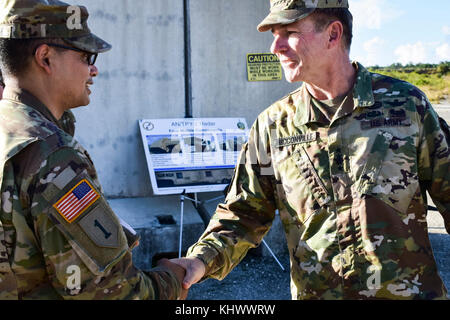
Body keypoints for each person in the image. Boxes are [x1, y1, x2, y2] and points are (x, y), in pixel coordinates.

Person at [172, 0, 450, 300]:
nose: (275, 47)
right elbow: (242, 214)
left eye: (289, 32)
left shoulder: (407, 107)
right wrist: (198, 260)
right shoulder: (273, 125)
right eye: (273, 34)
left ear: (333, 34)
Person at [0, 0, 186, 300]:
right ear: (45, 58)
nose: (94, 69)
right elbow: (110, 294)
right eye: (86, 55)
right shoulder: (53, 157)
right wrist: (171, 280)